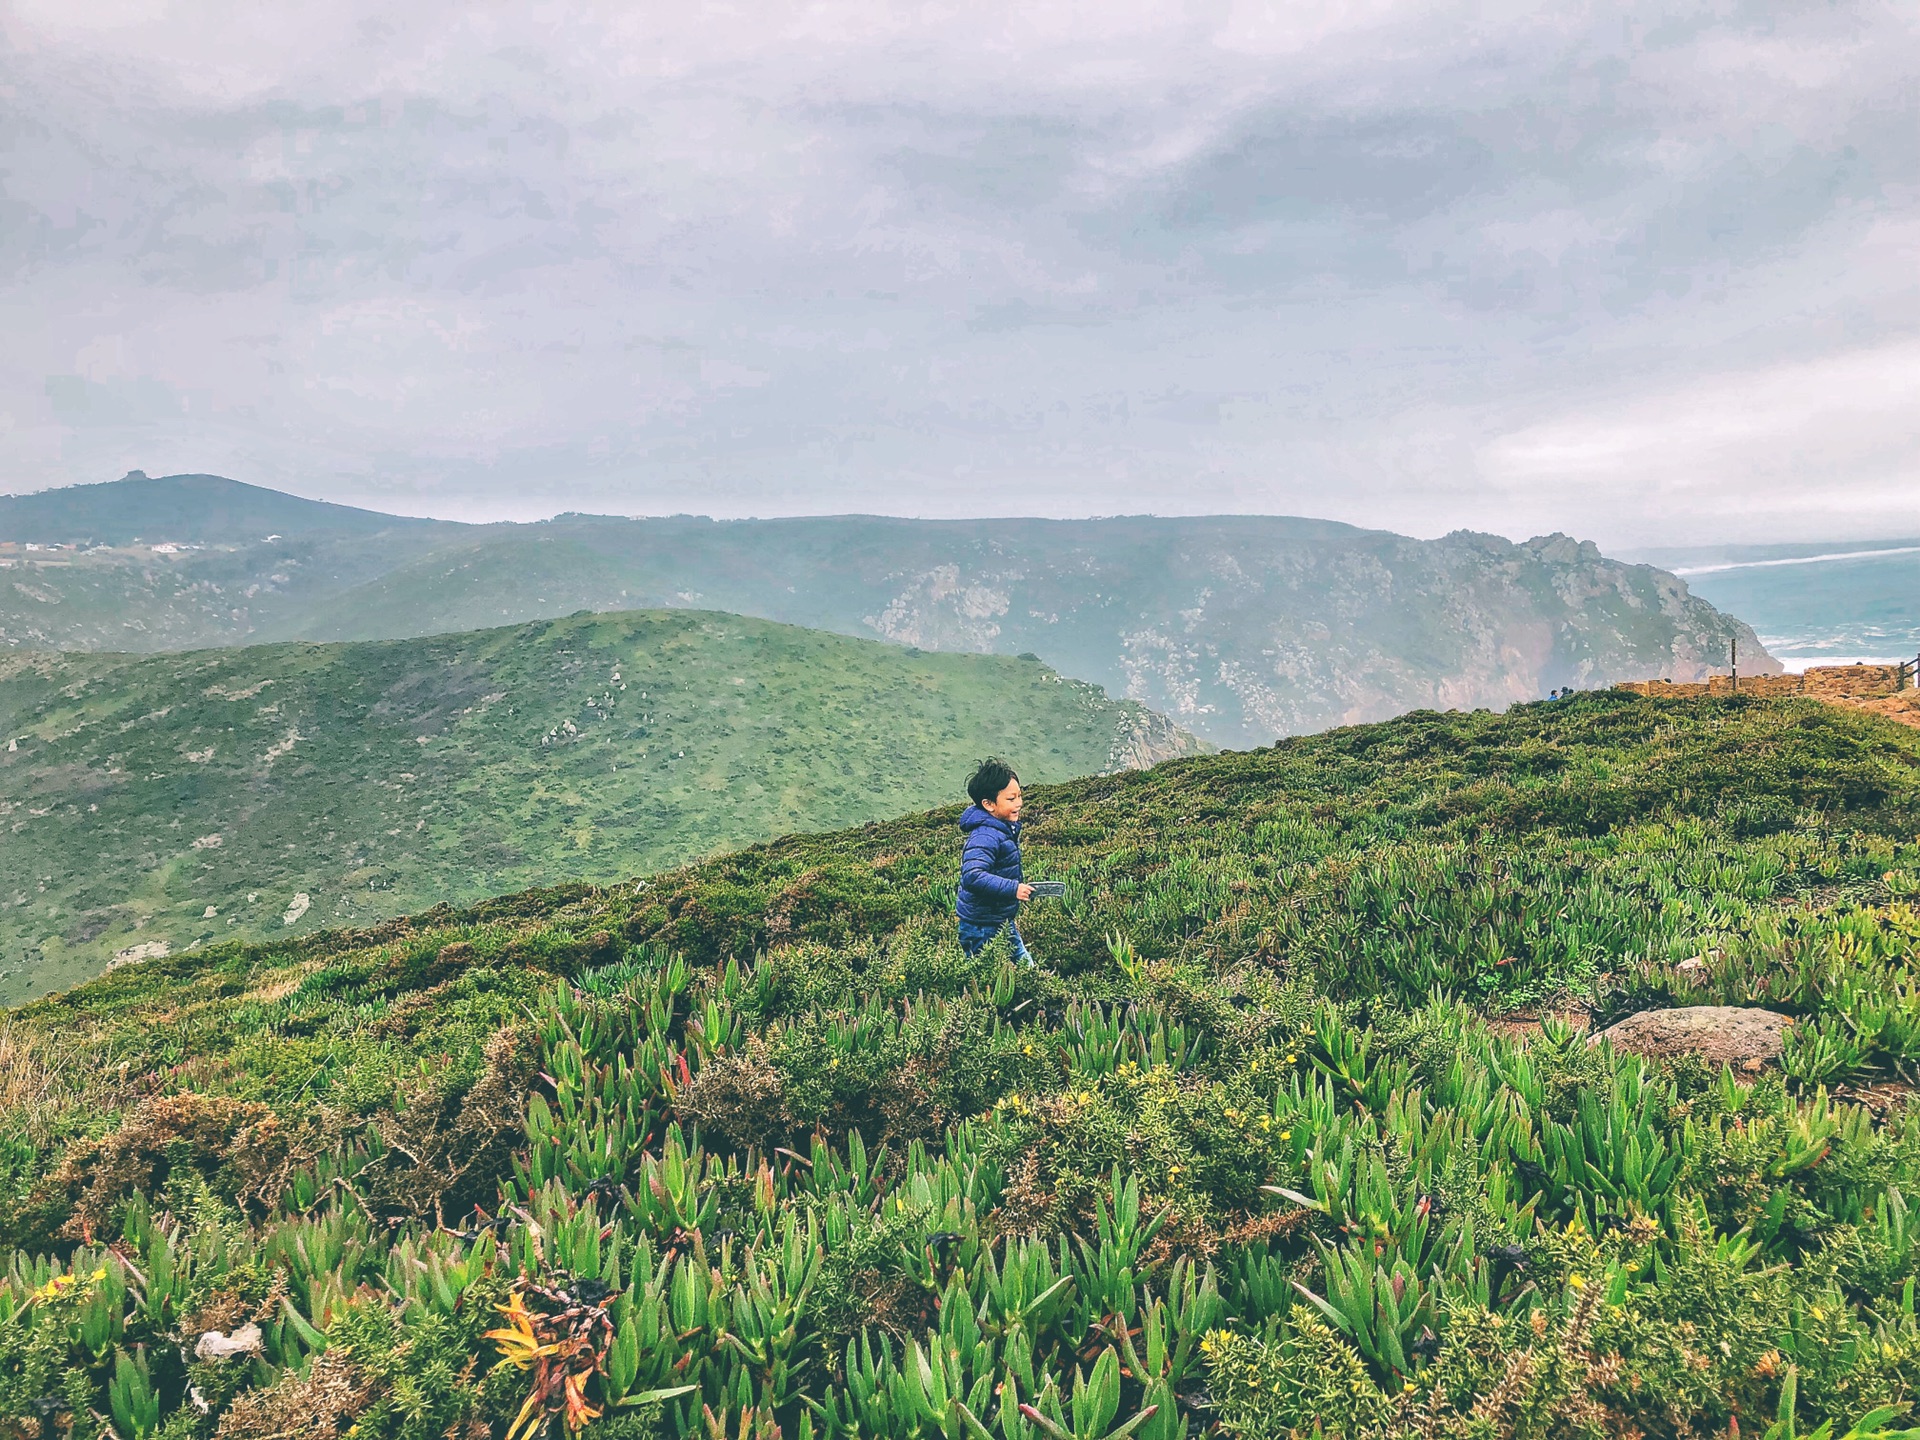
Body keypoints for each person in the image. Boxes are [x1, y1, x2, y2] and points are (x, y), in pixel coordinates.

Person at [957, 757, 1034, 964]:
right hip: (981, 926)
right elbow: (973, 875)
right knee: (986, 980)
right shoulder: (985, 835)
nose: (1019, 803)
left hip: (999, 920)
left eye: (1019, 796)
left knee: (1027, 971)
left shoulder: (1000, 829)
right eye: (1011, 799)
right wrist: (1013, 888)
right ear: (988, 804)